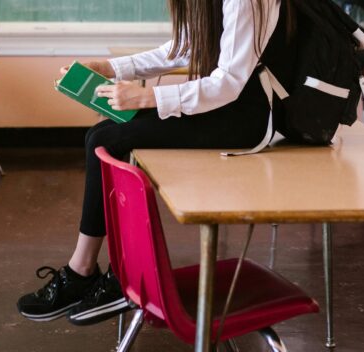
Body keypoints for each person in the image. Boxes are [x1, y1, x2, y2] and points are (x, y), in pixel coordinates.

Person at [17, 0, 298, 325]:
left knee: (106, 138)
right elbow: (185, 48)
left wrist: (147, 97)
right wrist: (110, 68)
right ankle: (89, 270)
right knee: (101, 133)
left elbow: (228, 83)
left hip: (246, 118)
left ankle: (95, 272)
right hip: (225, 107)